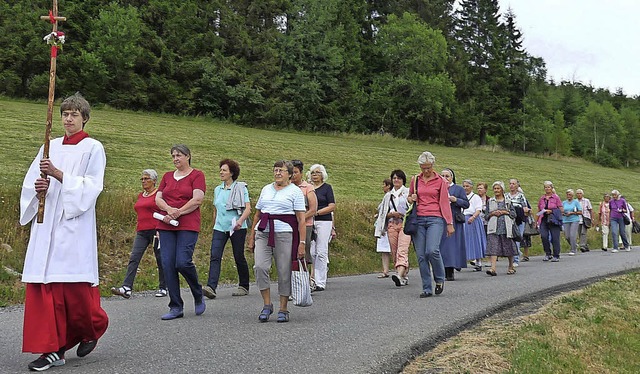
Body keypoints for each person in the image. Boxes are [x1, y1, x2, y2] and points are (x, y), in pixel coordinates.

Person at [19, 93, 108, 371]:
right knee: (45, 286)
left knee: (73, 289)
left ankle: (91, 328)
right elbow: (31, 182)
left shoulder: (93, 148)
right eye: (65, 114)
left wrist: (59, 175)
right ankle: (52, 349)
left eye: (74, 115)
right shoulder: (50, 145)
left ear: (84, 118)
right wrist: (39, 189)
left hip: (73, 226)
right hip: (46, 228)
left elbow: (93, 186)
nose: (68, 119)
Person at [248, 161, 306, 323]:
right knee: (260, 267)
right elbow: (258, 214)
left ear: (289, 174)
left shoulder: (295, 192)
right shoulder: (266, 189)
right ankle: (267, 304)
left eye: (281, 170)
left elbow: (301, 219)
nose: (278, 173)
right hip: (263, 232)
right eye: (275, 170)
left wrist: (302, 242)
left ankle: (283, 308)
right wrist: (252, 236)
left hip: (284, 234)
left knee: (283, 270)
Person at [155, 144, 206, 320]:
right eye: (173, 156)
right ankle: (176, 306)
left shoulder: (197, 175)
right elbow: (158, 198)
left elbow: (197, 199)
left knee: (182, 262)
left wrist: (179, 211)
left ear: (188, 156)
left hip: (187, 224)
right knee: (168, 263)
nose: (176, 158)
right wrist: (169, 210)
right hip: (166, 223)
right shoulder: (167, 176)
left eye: (179, 155)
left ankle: (197, 293)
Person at [111, 169, 167, 299]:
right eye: (142, 179)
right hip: (141, 231)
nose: (143, 181)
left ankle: (163, 287)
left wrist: (161, 229)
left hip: (156, 230)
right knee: (134, 257)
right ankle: (127, 287)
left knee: (160, 258)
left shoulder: (159, 195)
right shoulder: (141, 195)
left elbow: (164, 211)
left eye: (146, 178)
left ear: (154, 180)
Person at [407, 151, 453, 298]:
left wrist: (449, 223)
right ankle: (427, 288)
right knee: (421, 255)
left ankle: (440, 278)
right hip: (418, 219)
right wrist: (411, 198)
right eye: (423, 168)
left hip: (436, 218)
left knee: (432, 250)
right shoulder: (415, 180)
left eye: (428, 167)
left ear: (433, 165)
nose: (426, 171)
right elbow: (409, 198)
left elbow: (445, 203)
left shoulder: (440, 181)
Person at [203, 159, 252, 300]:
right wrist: (214, 224)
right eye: (220, 170)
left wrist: (240, 221)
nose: (221, 172)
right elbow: (215, 209)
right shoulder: (217, 189)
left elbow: (248, 209)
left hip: (237, 227)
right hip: (220, 227)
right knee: (215, 255)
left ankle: (244, 285)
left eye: (224, 170)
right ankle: (211, 287)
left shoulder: (241, 188)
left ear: (232, 173)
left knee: (238, 256)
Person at [309, 164, 335, 291]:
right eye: (313, 172)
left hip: (324, 221)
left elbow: (332, 206)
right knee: (312, 251)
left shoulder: (327, 188)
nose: (315, 175)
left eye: (317, 172)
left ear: (322, 174)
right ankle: (312, 278)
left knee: (321, 251)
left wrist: (317, 212)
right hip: (310, 221)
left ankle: (321, 281)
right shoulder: (308, 188)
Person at [291, 160, 318, 286]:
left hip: (305, 225)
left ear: (301, 173)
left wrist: (301, 219)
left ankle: (306, 282)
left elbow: (313, 209)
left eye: (296, 172)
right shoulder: (287, 186)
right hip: (289, 225)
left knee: (303, 252)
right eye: (292, 172)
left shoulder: (308, 188)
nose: (293, 175)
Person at [439, 168, 469, 281]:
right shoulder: (438, 187)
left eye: (447, 176)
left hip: (454, 220)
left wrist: (456, 200)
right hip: (440, 220)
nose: (444, 178)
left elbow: (466, 204)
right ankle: (441, 270)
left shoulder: (458, 189)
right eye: (442, 175)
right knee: (441, 246)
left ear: (452, 178)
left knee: (451, 246)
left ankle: (450, 270)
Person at [484, 181, 518, 276]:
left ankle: (511, 266)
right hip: (493, 227)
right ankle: (493, 268)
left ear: (502, 190)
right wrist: (492, 213)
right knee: (493, 247)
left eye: (498, 188)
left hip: (506, 227)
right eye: (495, 189)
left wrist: (504, 212)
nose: (496, 190)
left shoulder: (508, 201)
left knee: (508, 247)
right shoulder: (490, 201)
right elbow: (486, 216)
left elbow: (514, 214)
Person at [385, 170, 412, 287]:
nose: (396, 180)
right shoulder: (388, 195)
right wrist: (391, 214)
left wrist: (402, 213)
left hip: (405, 224)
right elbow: (382, 213)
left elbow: (412, 207)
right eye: (394, 178)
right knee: (394, 251)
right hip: (392, 224)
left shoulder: (407, 193)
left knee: (402, 249)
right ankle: (403, 274)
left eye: (399, 178)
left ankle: (399, 275)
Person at [462, 179, 486, 271]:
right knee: (463, 241)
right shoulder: (462, 196)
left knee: (475, 240)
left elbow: (478, 209)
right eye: (464, 186)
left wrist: (473, 217)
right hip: (463, 219)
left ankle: (478, 262)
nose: (465, 188)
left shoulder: (476, 197)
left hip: (473, 220)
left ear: (471, 187)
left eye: (467, 186)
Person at [537, 181, 564, 262]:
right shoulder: (542, 198)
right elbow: (539, 210)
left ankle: (556, 255)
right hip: (544, 219)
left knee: (555, 237)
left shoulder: (556, 198)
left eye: (549, 187)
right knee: (544, 236)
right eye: (546, 187)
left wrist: (552, 211)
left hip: (553, 219)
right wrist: (536, 221)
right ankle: (548, 253)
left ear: (552, 188)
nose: (547, 188)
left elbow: (561, 210)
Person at [373, 178, 393, 278]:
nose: (382, 187)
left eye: (384, 185)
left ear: (388, 186)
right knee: (384, 249)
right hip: (384, 225)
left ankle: (400, 269)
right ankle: (385, 270)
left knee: (391, 249)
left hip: (388, 225)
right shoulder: (386, 196)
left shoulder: (389, 196)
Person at [507, 179, 530, 267]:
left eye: (513, 184)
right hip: (509, 219)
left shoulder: (521, 196)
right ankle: (513, 256)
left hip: (519, 219)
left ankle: (515, 260)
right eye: (510, 184)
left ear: (517, 186)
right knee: (510, 239)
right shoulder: (506, 196)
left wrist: (525, 210)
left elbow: (525, 207)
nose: (512, 185)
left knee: (517, 238)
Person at [562, 189, 582, 256]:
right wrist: (564, 213)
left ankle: (573, 249)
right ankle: (574, 245)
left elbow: (580, 212)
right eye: (567, 194)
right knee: (567, 236)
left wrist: (572, 213)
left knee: (572, 235)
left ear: (572, 195)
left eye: (570, 194)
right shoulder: (564, 202)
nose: (568, 196)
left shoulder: (576, 202)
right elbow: (561, 211)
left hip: (574, 220)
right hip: (566, 220)